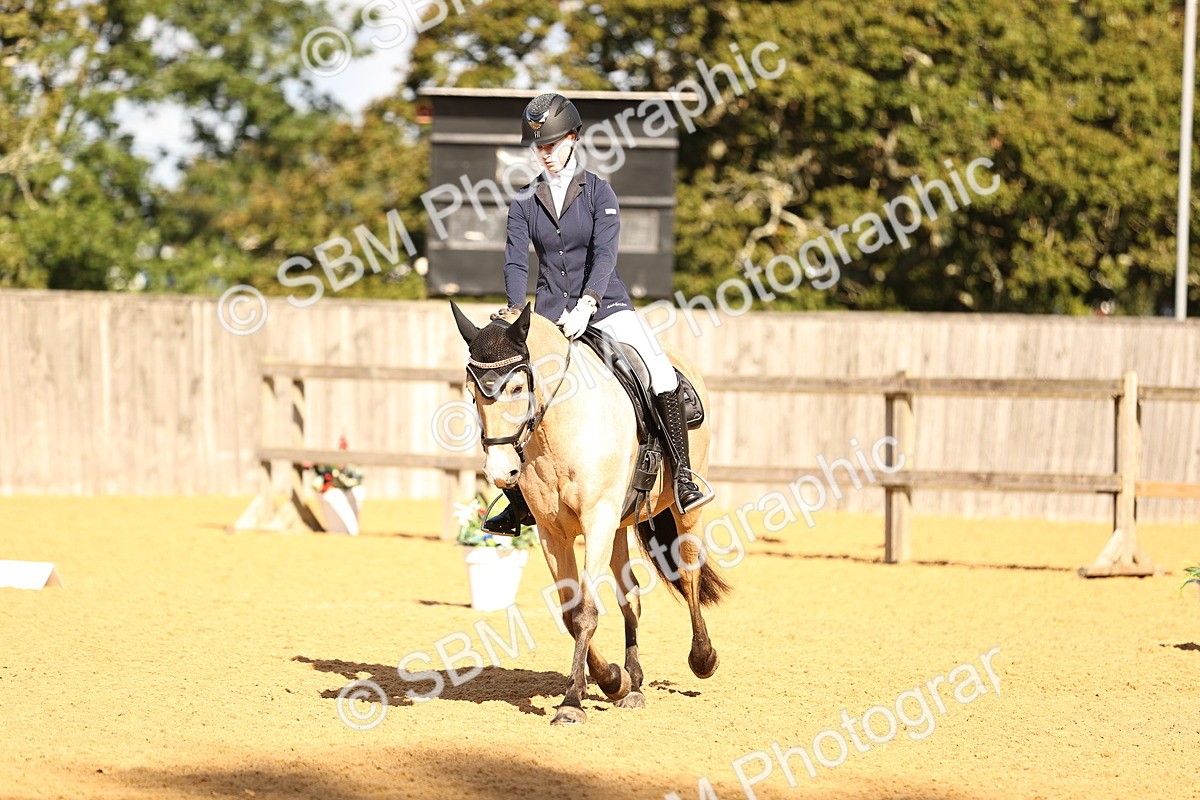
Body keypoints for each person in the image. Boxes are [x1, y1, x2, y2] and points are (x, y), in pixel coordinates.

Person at [482, 92, 714, 535]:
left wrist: (588, 302)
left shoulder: (598, 192)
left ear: (573, 138)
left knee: (660, 372)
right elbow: (515, 260)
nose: (544, 153)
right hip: (549, 314)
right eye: (538, 146)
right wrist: (514, 309)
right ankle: (518, 500)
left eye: (551, 144)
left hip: (606, 305)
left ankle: (684, 477)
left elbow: (605, 255)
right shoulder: (524, 201)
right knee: (511, 386)